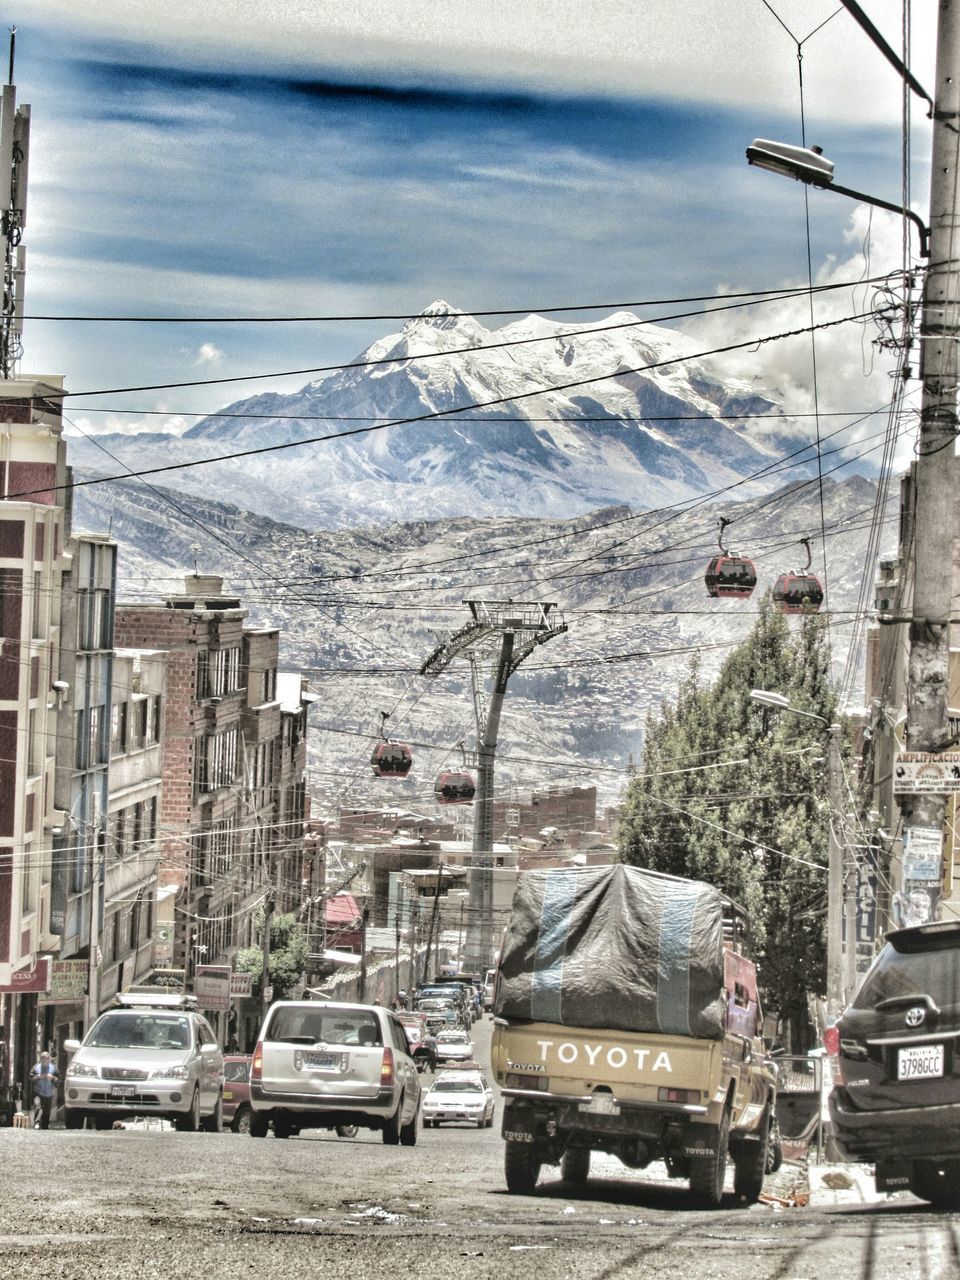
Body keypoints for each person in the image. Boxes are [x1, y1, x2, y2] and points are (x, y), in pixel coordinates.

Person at [30, 1051, 59, 1130]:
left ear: (49, 1059)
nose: (44, 1060)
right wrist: (37, 1077)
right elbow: (31, 1078)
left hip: (49, 1092)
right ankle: (37, 1123)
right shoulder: (36, 1067)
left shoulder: (53, 1068)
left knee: (46, 1110)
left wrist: (52, 1078)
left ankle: (45, 1126)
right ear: (40, 1059)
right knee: (38, 1106)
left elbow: (58, 1078)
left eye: (45, 1058)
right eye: (42, 1058)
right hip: (38, 1091)